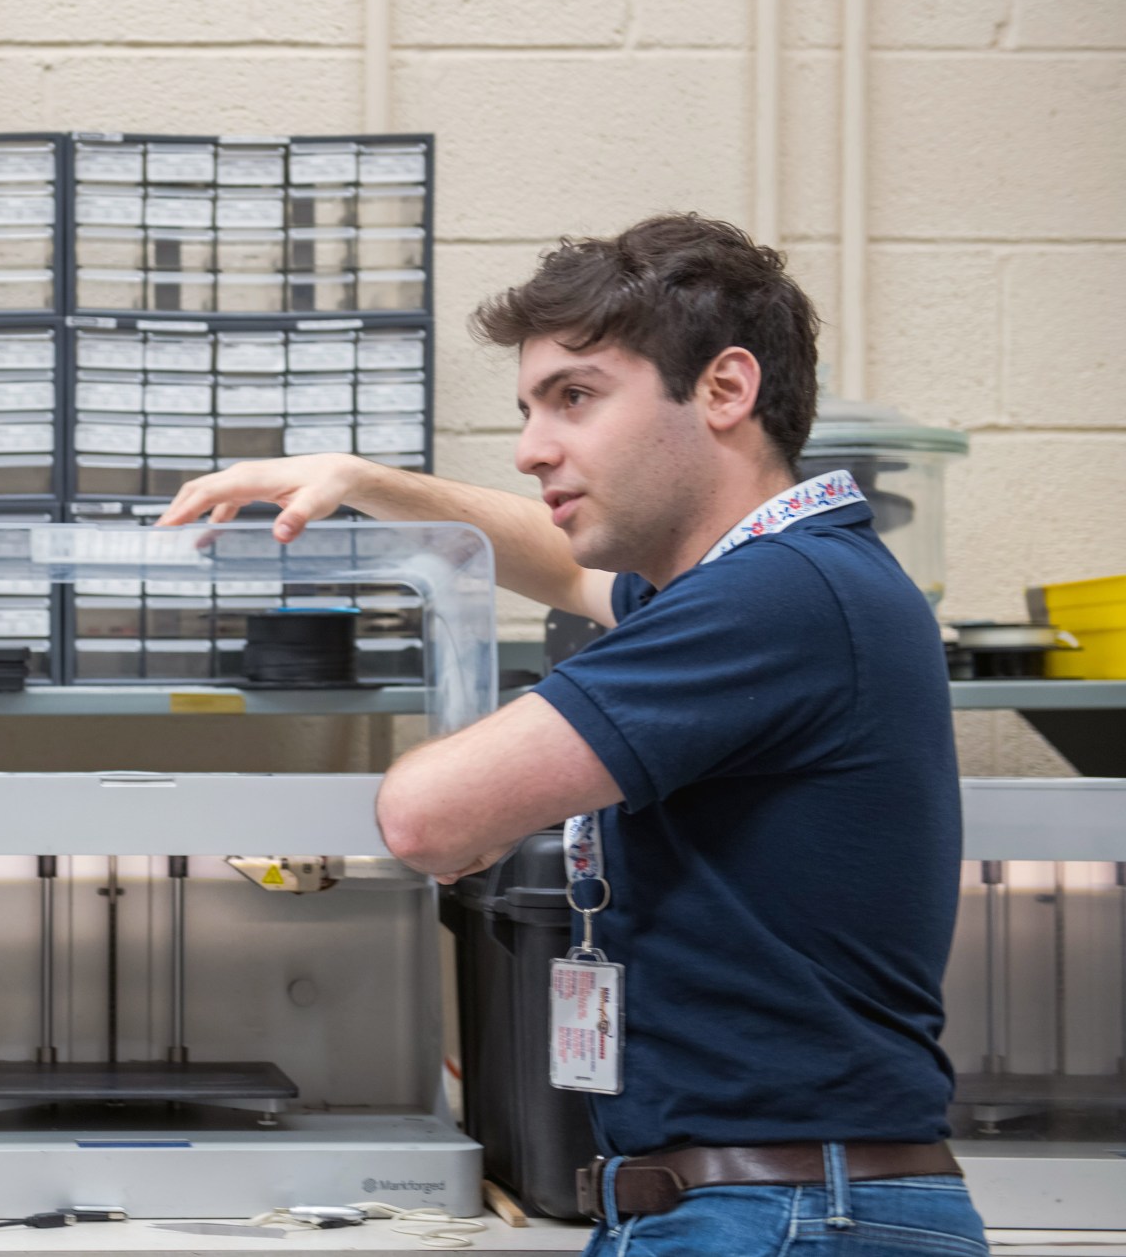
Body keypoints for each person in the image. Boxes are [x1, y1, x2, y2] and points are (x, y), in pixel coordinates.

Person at [160, 214, 983, 1254]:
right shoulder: (788, 580)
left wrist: (500, 789)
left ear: (724, 391)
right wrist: (361, 480)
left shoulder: (771, 601)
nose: (529, 447)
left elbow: (427, 820)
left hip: (775, 1214)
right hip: (769, 1199)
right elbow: (555, 564)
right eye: (527, 407)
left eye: (574, 398)